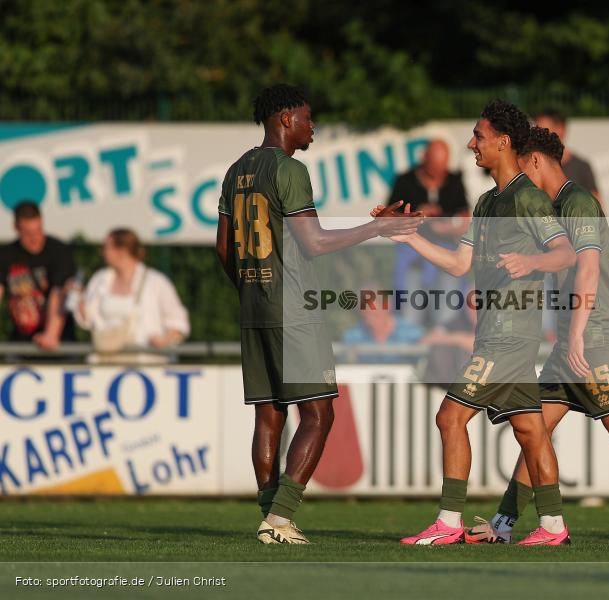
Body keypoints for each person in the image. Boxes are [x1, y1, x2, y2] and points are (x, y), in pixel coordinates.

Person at [215, 84, 423, 545]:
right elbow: (316, 243)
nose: (314, 127)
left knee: (269, 414)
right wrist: (377, 226)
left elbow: (223, 247)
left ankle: (269, 517)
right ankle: (281, 518)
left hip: (254, 305)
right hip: (292, 306)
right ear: (286, 119)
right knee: (319, 413)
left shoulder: (236, 170)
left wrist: (252, 287)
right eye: (308, 118)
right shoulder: (289, 169)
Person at [380, 100, 576, 546]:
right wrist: (407, 235)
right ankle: (552, 527)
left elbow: (565, 252)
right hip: (495, 334)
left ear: (503, 142)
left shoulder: (527, 196)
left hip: (508, 338)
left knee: (449, 417)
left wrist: (531, 260)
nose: (471, 144)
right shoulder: (487, 202)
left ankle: (449, 523)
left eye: (478, 136)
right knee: (530, 430)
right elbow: (456, 263)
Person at [468, 126, 609, 546]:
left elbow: (590, 268)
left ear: (536, 161)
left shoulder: (578, 201)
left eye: (522, 164)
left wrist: (577, 336)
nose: (519, 174)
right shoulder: (553, 208)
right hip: (571, 338)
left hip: (593, 335)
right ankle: (504, 524)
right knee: (534, 430)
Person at [387, 140, 470, 324]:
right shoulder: (405, 181)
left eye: (442, 167)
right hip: (412, 256)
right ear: (424, 158)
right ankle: (411, 346)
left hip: (445, 255)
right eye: (434, 166)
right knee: (409, 313)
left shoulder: (454, 181)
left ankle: (443, 340)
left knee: (448, 311)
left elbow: (465, 217)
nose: (438, 172)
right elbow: (388, 217)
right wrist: (417, 213)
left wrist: (449, 227)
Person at [76, 229, 190, 358]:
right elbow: (88, 319)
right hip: (105, 361)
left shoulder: (156, 282)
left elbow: (178, 322)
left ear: (122, 251)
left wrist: (164, 340)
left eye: (105, 247)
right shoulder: (100, 279)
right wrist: (78, 299)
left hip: (146, 363)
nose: (101, 252)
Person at [0, 201, 77, 350]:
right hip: (21, 342)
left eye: (38, 231)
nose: (35, 238)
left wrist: (51, 334)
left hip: (59, 343)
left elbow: (59, 292)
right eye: (28, 233)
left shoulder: (59, 251)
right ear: (16, 228)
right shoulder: (6, 255)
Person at [534, 109, 601, 202]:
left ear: (561, 129)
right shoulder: (533, 167)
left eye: (543, 131)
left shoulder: (582, 167)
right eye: (535, 132)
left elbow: (597, 205)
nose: (537, 137)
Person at [341, 300, 424, 363]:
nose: (370, 321)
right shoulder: (353, 336)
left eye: (375, 315)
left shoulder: (411, 332)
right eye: (365, 316)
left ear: (387, 307)